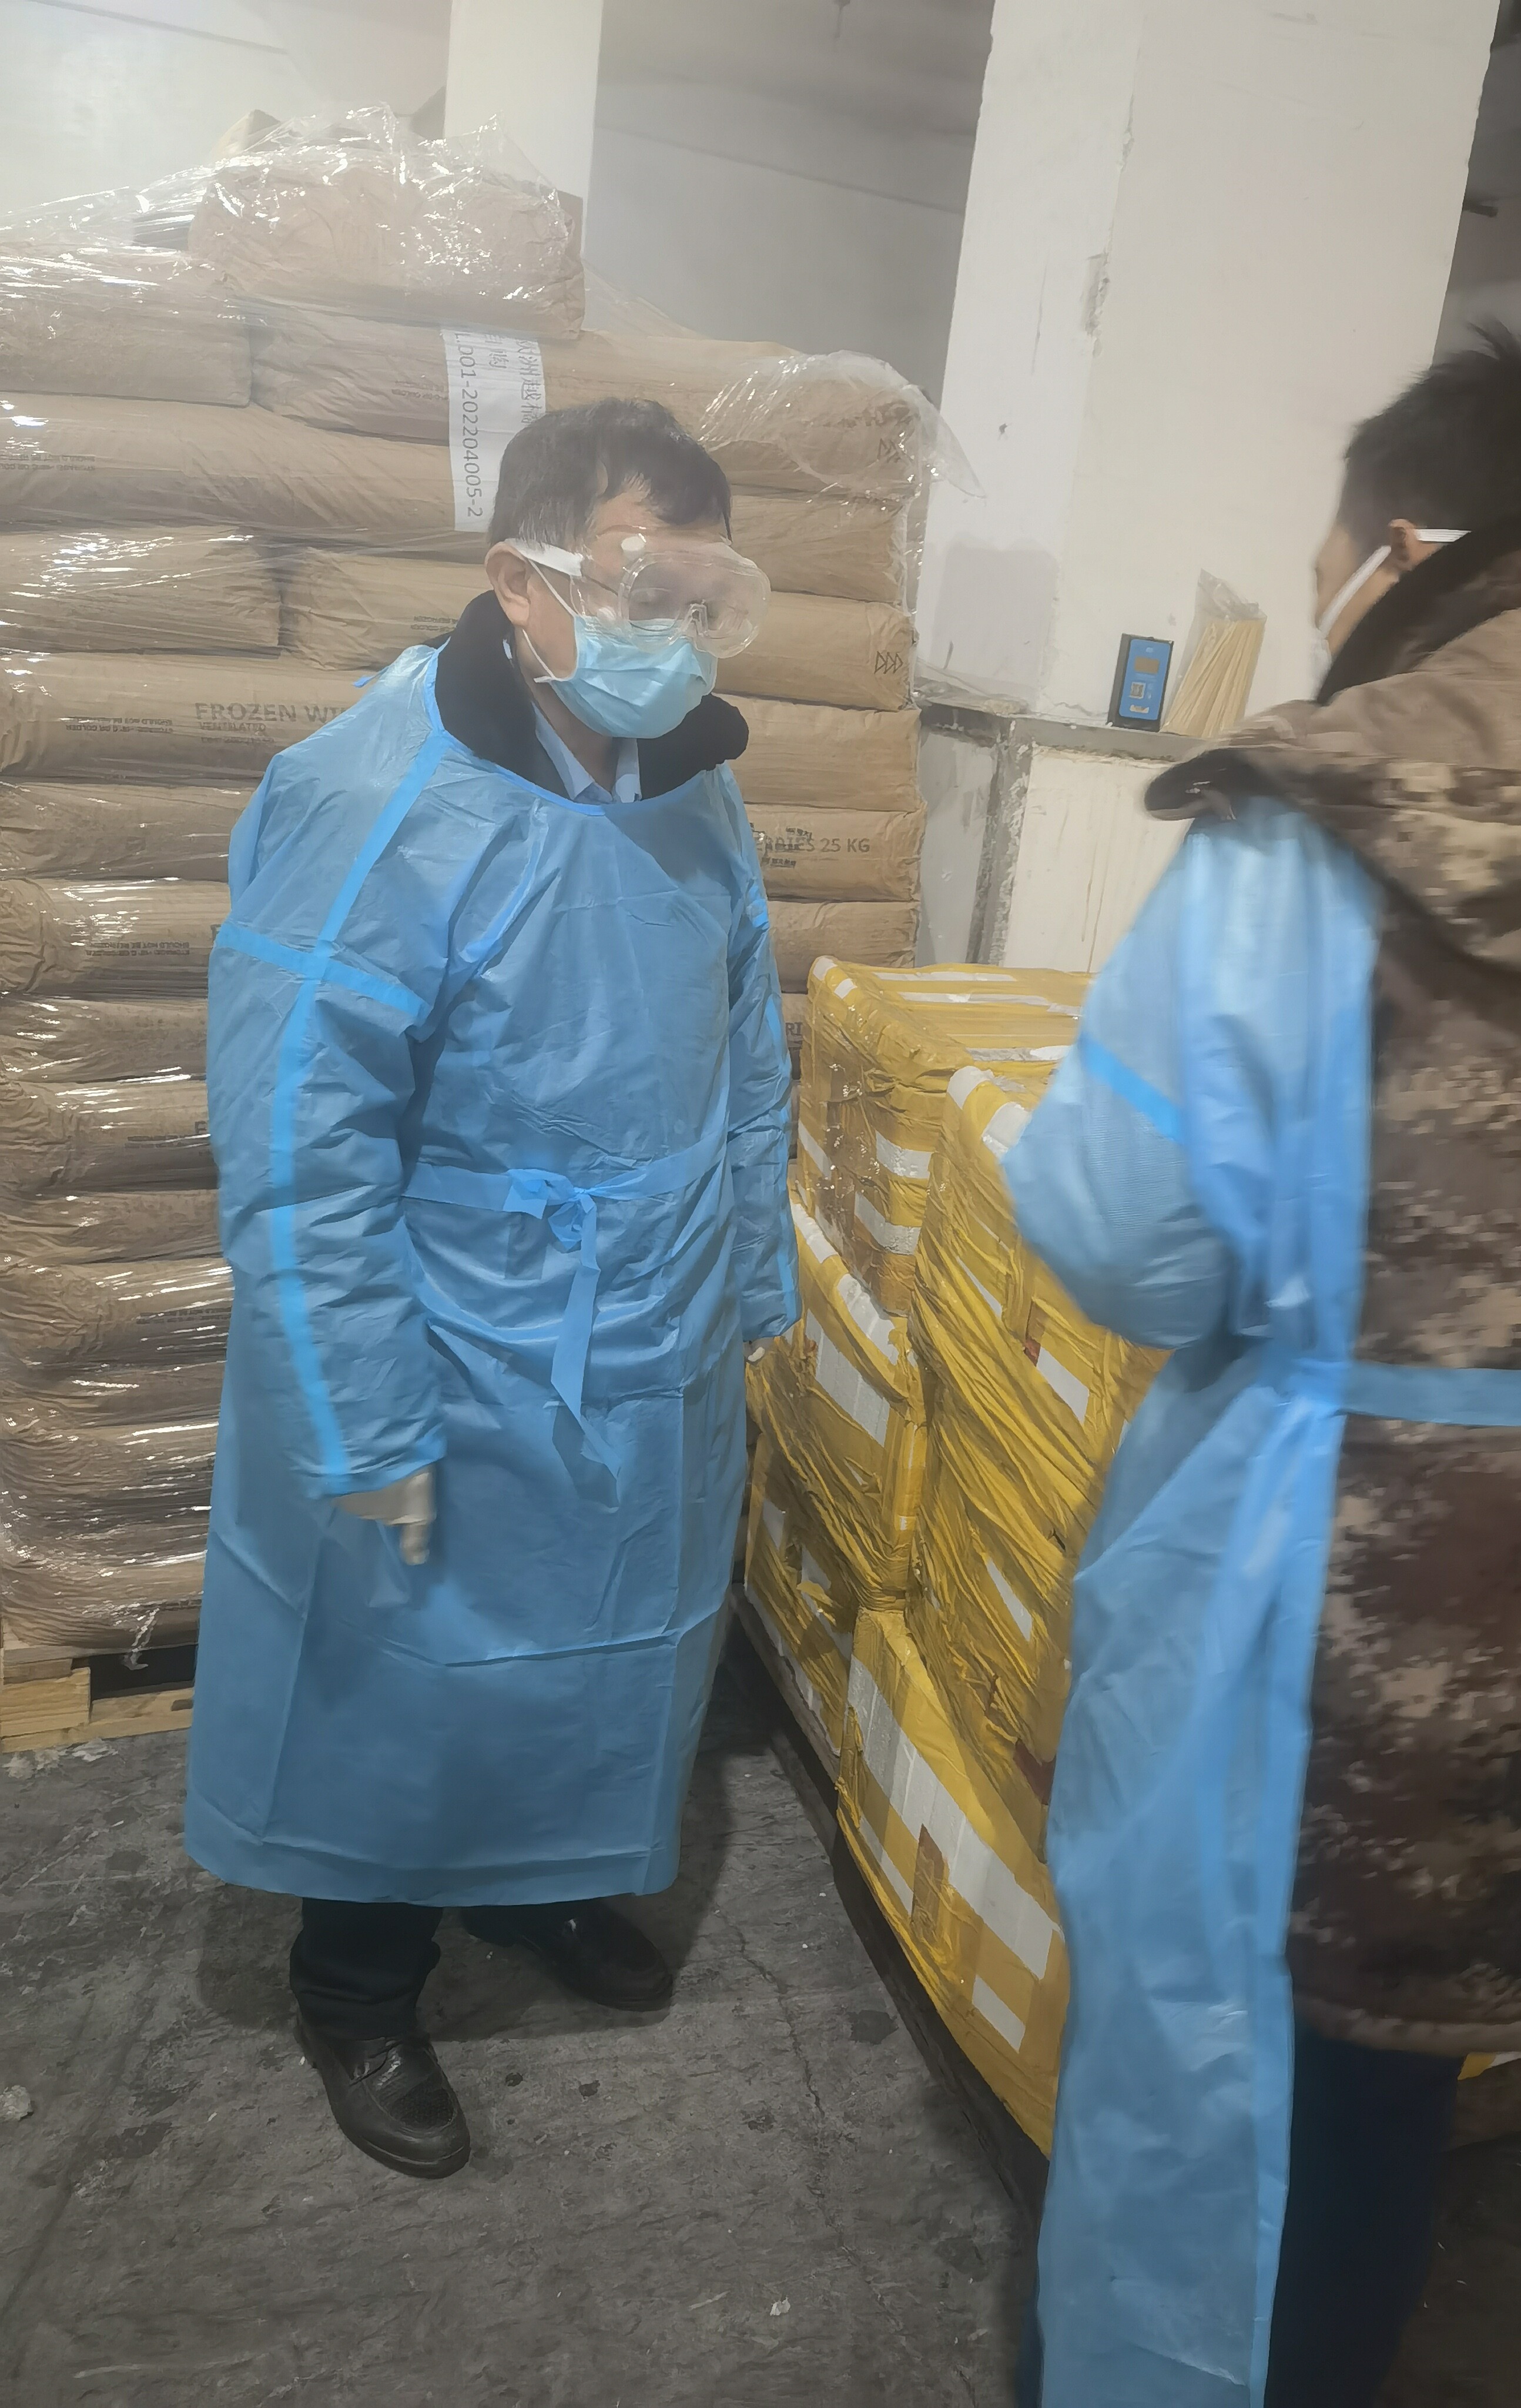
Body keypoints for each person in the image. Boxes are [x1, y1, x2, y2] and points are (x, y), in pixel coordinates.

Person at [1006, 327, 1521, 2404]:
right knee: (1406, 2045)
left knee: (1246, 2065)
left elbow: (1127, 1229)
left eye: (1333, 557)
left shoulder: (1314, 817)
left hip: (1324, 1602)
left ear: (1406, 550)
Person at [185, 398, 799, 2178]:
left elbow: (747, 1039)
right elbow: (299, 1139)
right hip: (451, 1332)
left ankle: (538, 1883)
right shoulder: (373, 798)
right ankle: (358, 1980)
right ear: (516, 581)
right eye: (634, 587)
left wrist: (746, 1274)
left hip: (644, 1325)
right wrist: (363, 1413)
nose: (667, 633)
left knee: (611, 1642)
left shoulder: (694, 786)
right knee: (413, 1664)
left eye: (696, 596)